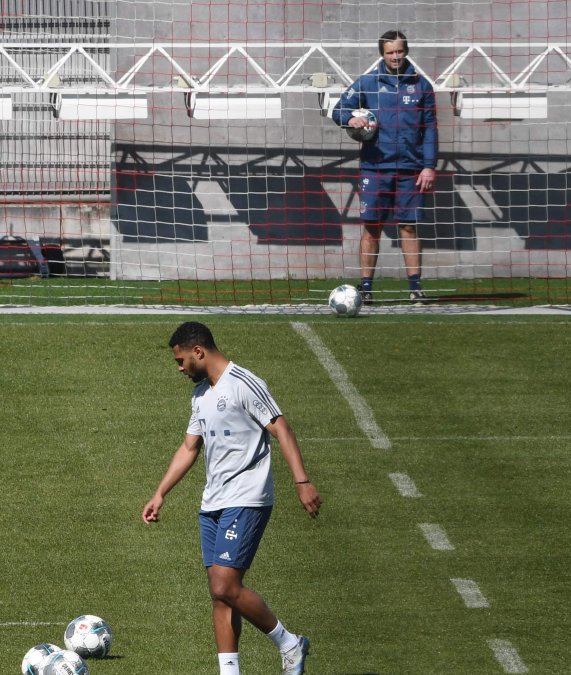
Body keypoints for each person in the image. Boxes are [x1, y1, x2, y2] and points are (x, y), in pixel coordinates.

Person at [143, 321, 322, 675]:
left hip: (247, 497)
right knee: (220, 592)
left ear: (199, 351)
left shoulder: (244, 383)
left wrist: (302, 481)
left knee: (224, 583)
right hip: (212, 503)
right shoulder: (200, 395)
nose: (180, 368)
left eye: (181, 361)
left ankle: (290, 644)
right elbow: (189, 447)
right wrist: (160, 493)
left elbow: (281, 427)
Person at [332, 29, 438, 304]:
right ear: (382, 53)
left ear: (407, 51)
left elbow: (430, 130)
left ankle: (415, 287)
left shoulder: (422, 85)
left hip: (411, 169)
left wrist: (429, 166)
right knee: (372, 226)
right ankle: (366, 287)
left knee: (409, 226)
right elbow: (338, 110)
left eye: (399, 51)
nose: (395, 57)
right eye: (390, 52)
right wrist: (350, 119)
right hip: (375, 168)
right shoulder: (368, 82)